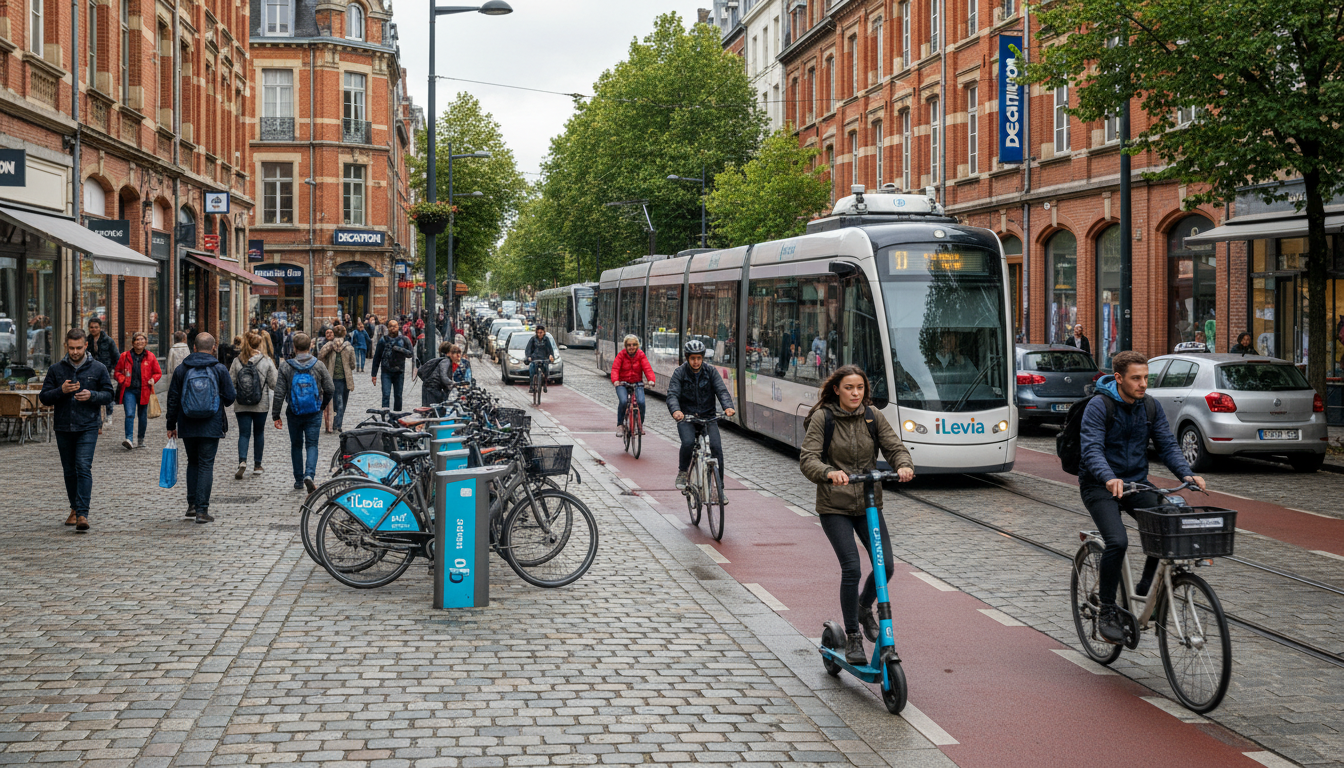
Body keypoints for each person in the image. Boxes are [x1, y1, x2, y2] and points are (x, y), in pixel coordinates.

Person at [1079, 350, 1206, 644]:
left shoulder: (1149, 406)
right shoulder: (1099, 406)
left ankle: (1145, 588)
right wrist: (1108, 477)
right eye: (1136, 378)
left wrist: (1186, 474)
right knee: (1118, 541)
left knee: (1167, 524)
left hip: (1136, 483)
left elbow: (1167, 445)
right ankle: (1107, 611)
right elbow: (1092, 448)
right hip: (1099, 485)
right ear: (1118, 378)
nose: (1143, 384)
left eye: (1146, 377)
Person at [799, 365, 915, 664]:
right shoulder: (824, 418)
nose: (855, 393)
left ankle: (864, 608)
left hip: (868, 504)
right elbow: (808, 458)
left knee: (885, 566)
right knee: (851, 568)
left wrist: (903, 465)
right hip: (834, 506)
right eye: (849, 388)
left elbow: (894, 447)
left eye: (860, 388)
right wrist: (828, 472)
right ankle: (852, 636)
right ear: (836, 389)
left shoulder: (872, 416)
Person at [40, 329, 115, 531]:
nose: (75, 352)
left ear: (86, 346)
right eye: (71, 348)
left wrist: (92, 395)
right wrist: (61, 391)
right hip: (63, 426)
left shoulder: (98, 368)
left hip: (88, 425)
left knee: (83, 466)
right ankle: (74, 507)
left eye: (79, 348)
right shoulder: (56, 369)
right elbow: (44, 397)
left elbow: (109, 395)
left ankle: (82, 513)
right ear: (66, 345)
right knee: (69, 470)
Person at [165, 333, 236, 525]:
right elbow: (230, 397)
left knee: (193, 462)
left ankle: (192, 505)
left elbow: (173, 398)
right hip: (211, 424)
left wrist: (171, 424)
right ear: (213, 348)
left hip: (187, 423)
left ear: (194, 348)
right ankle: (202, 510)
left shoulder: (182, 369)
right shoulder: (219, 369)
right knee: (206, 464)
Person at [666, 340, 736, 496]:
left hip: (708, 417)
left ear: (703, 358)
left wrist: (727, 406)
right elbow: (672, 394)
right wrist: (676, 411)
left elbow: (721, 390)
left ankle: (719, 489)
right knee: (688, 442)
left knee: (716, 448)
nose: (696, 362)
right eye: (692, 358)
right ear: (687, 358)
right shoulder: (680, 373)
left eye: (699, 358)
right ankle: (683, 472)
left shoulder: (710, 371)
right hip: (687, 417)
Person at [272, 333, 334, 493]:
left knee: (296, 445)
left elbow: (279, 393)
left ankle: (299, 480)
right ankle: (310, 474)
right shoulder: (318, 365)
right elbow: (330, 388)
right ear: (310, 346)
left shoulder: (286, 366)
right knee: (312, 444)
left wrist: (276, 414)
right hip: (314, 411)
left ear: (294, 347)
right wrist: (322, 405)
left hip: (294, 411)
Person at [229, 331, 278, 479]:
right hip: (260, 403)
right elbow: (274, 383)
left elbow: (231, 382)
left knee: (243, 433)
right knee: (259, 433)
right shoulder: (266, 360)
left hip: (241, 403)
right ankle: (257, 465)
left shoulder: (237, 361)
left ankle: (242, 460)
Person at [112, 331, 163, 449]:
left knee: (142, 416)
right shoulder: (125, 356)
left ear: (145, 342)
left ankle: (141, 439)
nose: (139, 342)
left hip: (144, 390)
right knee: (129, 414)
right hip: (129, 390)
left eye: (142, 339)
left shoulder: (150, 356)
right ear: (133, 342)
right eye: (137, 339)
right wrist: (122, 379)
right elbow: (117, 372)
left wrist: (153, 379)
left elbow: (158, 372)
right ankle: (129, 439)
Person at [611, 334, 654, 436]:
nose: (631, 347)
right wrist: (616, 381)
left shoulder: (641, 355)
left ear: (637, 345)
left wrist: (651, 380)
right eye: (629, 345)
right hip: (622, 383)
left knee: (641, 402)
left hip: (637, 383)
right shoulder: (621, 355)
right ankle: (620, 425)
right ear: (625, 346)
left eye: (634, 344)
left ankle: (640, 425)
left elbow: (647, 368)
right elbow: (615, 369)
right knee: (623, 401)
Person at [317, 324, 356, 433]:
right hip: (345, 378)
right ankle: (338, 424)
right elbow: (353, 365)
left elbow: (320, 357)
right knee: (342, 401)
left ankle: (335, 422)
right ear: (344, 334)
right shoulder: (348, 347)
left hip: (332, 377)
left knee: (335, 402)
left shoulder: (329, 346)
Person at [371, 319, 413, 410]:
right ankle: (385, 414)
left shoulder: (404, 339)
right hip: (386, 372)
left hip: (399, 372)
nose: (393, 328)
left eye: (395, 326)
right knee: (386, 395)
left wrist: (399, 349)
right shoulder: (383, 340)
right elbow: (377, 357)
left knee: (398, 396)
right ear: (388, 328)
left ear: (398, 327)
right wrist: (374, 374)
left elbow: (410, 354)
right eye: (390, 326)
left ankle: (397, 415)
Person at [87, 318, 120, 424]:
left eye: (96, 327)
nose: (93, 329)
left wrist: (114, 370)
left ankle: (109, 414)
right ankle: (94, 416)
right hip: (90, 370)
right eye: (91, 327)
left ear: (100, 328)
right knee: (92, 392)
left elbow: (116, 356)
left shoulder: (108, 340)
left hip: (105, 370)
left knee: (107, 392)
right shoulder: (87, 341)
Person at [524, 325, 555, 394]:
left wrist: (551, 356)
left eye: (541, 332)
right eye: (538, 332)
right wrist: (529, 356)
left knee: (546, 369)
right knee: (532, 368)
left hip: (544, 358)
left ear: (544, 332)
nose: (539, 334)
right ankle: (532, 385)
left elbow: (550, 350)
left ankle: (545, 383)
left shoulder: (546, 340)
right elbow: (528, 349)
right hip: (535, 358)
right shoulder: (533, 339)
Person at [160, 330, 191, 395]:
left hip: (175, 374)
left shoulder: (172, 349)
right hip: (185, 373)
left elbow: (169, 364)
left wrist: (169, 376)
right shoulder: (186, 348)